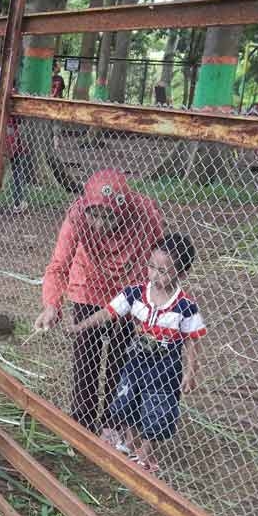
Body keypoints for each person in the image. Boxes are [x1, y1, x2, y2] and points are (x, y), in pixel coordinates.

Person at [36, 169, 164, 434]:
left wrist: (157, 302)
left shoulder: (145, 215)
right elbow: (59, 265)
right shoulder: (77, 216)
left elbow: (162, 260)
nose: (100, 225)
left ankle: (114, 422)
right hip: (89, 286)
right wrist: (52, 305)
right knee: (87, 358)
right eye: (95, 215)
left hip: (129, 293)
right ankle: (81, 424)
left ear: (124, 210)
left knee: (123, 357)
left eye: (109, 217)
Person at [66, 233, 206, 472]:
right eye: (151, 267)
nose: (154, 275)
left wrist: (190, 372)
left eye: (164, 271)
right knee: (127, 400)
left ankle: (145, 451)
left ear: (181, 274)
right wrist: (81, 325)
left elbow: (193, 341)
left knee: (157, 407)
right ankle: (128, 441)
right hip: (136, 363)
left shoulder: (185, 307)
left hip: (165, 370)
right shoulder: (136, 293)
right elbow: (109, 312)